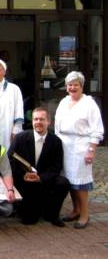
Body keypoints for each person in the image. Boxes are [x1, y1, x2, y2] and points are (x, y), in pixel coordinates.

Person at [55, 71, 104, 229]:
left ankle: (84, 214)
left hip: (81, 145)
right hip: (64, 144)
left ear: (81, 86)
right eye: (70, 84)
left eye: (76, 84)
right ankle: (75, 210)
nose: (72, 87)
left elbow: (97, 129)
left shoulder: (89, 104)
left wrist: (91, 150)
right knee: (69, 181)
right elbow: (57, 125)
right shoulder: (63, 102)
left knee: (81, 183)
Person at [9, 107, 69, 227]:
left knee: (63, 182)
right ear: (32, 121)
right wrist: (23, 175)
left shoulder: (56, 141)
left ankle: (52, 214)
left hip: (43, 181)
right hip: (25, 182)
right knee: (29, 220)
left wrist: (40, 177)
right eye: (35, 119)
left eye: (42, 119)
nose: (38, 122)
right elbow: (10, 160)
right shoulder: (20, 138)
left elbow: (56, 166)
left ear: (48, 122)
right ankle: (28, 209)